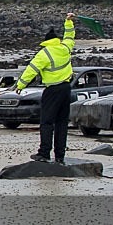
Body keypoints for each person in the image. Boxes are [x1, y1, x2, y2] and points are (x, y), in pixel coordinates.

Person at [12, 13, 76, 164]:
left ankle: (44, 153)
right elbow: (70, 37)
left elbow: (31, 70)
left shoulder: (44, 53)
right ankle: (60, 156)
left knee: (47, 122)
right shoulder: (65, 48)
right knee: (62, 123)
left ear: (46, 41)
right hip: (66, 88)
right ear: (56, 40)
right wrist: (68, 22)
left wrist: (20, 85)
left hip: (52, 90)